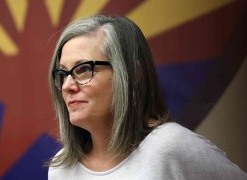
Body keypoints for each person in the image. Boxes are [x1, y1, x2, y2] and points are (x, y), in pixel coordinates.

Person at [47, 15, 247, 180]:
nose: (67, 86)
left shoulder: (170, 146)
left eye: (83, 69)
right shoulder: (61, 168)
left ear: (133, 74)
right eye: (62, 74)